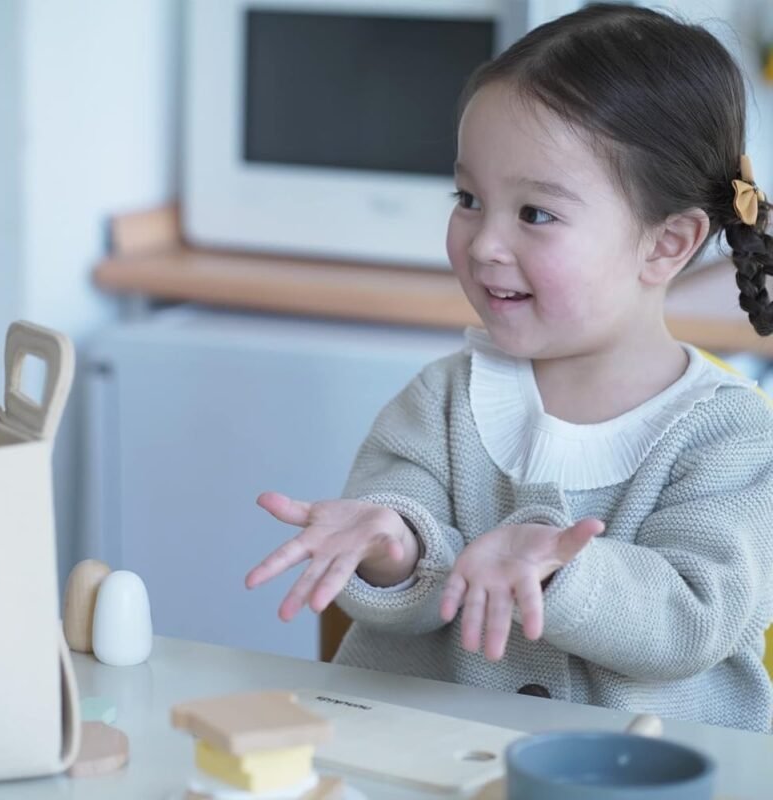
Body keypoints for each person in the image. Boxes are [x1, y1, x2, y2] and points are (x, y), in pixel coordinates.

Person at [245, 3, 773, 732]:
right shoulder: (441, 400)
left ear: (666, 244)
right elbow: (405, 550)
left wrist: (560, 570)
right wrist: (393, 546)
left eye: (535, 214)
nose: (485, 242)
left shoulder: (732, 435)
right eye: (468, 199)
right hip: (422, 760)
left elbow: (692, 619)